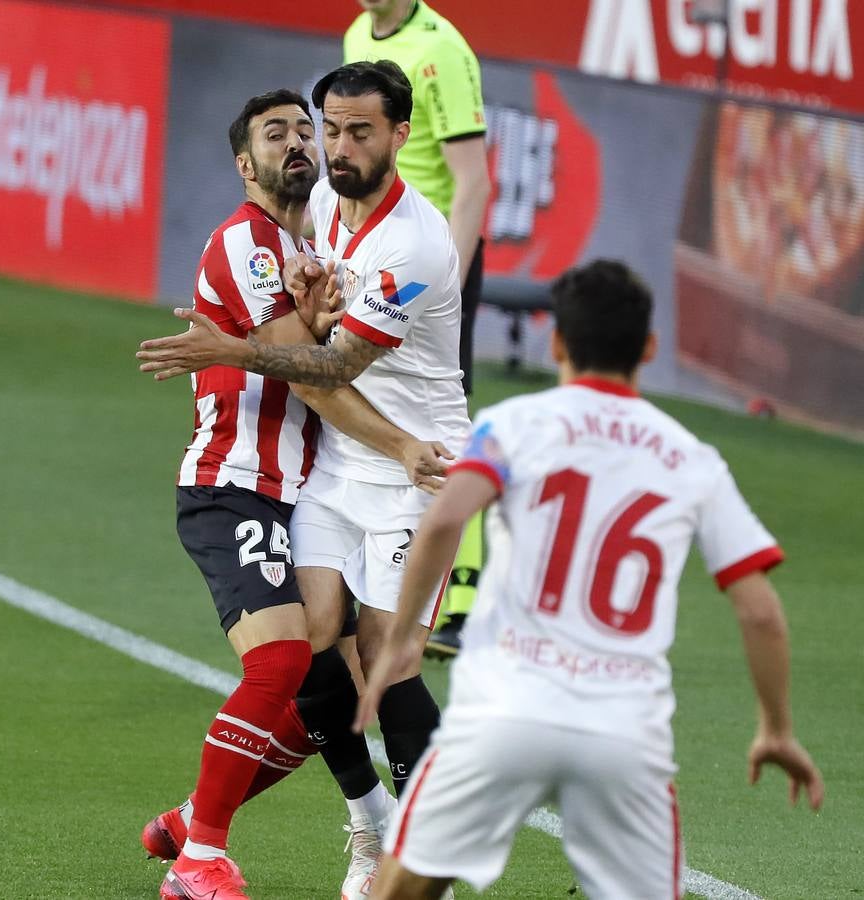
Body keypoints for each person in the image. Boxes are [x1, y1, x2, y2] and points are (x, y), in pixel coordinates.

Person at [354, 259, 825, 899]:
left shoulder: (513, 424)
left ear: (556, 344)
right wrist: (776, 728)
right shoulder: (692, 459)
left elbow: (443, 523)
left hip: (504, 711)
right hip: (623, 732)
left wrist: (402, 639)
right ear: (649, 348)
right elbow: (761, 612)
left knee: (402, 889)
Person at [139, 60, 468, 900]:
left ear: (400, 136)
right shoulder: (306, 212)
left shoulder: (413, 242)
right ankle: (350, 829)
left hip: (413, 468)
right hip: (308, 473)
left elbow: (328, 368)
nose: (331, 146)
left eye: (356, 131)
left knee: (379, 665)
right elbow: (314, 347)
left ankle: (406, 859)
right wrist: (306, 307)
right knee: (308, 647)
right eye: (325, 129)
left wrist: (247, 342)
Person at [345, 0, 494, 658]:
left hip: (433, 269)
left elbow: (473, 185)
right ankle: (375, 571)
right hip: (379, 259)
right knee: (370, 408)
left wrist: (446, 289)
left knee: (444, 419)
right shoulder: (358, 33)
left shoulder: (444, 51)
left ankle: (461, 595)